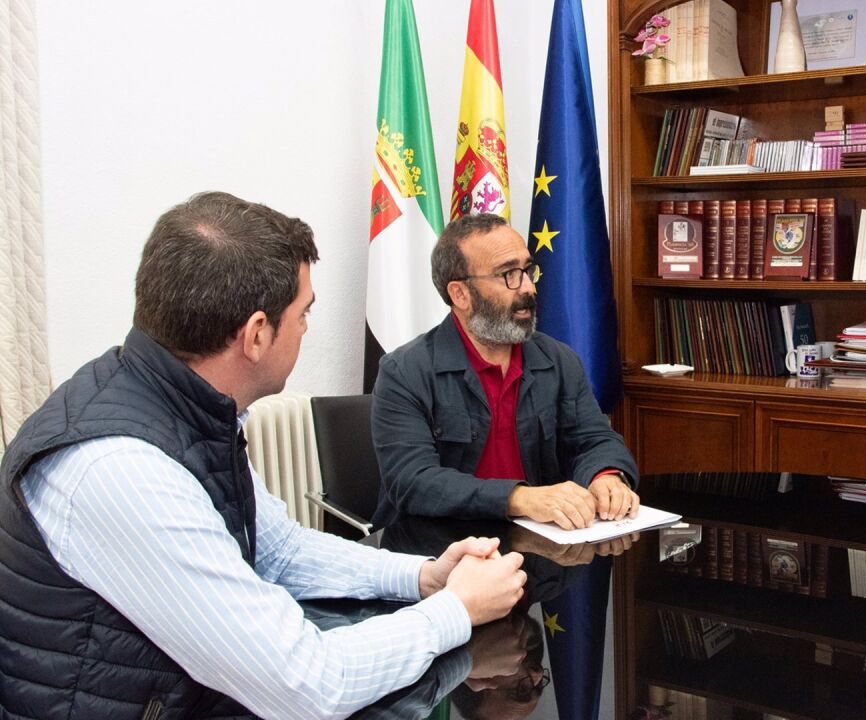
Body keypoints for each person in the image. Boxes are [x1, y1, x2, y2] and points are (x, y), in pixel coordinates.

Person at [0, 192, 528, 720]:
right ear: (256, 335)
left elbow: (277, 550)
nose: (305, 328)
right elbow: (308, 685)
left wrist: (424, 577)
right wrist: (455, 609)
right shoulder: (124, 471)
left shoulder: (179, 405)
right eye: (303, 313)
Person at [370, 213, 640, 530]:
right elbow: (413, 481)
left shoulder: (559, 360)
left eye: (527, 270)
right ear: (460, 294)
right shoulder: (404, 372)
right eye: (508, 274)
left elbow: (595, 439)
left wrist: (606, 475)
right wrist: (518, 498)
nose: (528, 288)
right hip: (435, 546)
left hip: (537, 543)